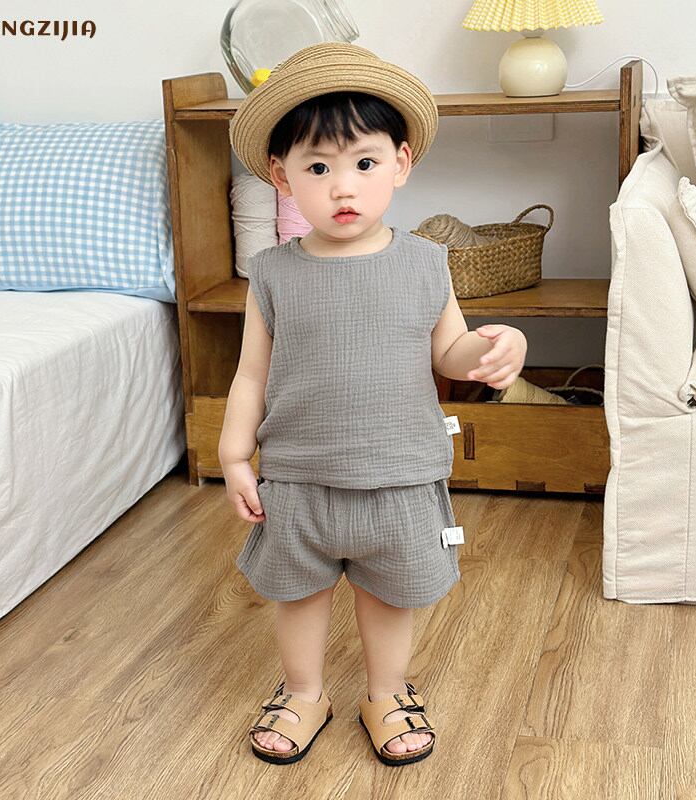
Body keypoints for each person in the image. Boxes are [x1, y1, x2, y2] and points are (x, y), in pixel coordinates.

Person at [219, 42, 527, 767]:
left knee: (392, 594)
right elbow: (251, 375)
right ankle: (304, 692)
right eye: (317, 169)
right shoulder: (272, 273)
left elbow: (449, 352)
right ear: (281, 176)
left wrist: (493, 347)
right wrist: (234, 456)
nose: (342, 188)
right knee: (298, 593)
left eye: (364, 163)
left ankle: (385, 692)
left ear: (401, 163)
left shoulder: (424, 262)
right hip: (298, 477)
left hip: (400, 474)